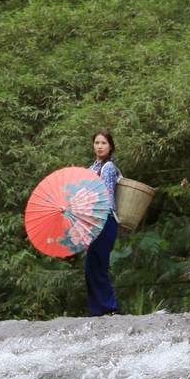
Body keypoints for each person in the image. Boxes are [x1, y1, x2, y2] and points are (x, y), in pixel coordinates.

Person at [85, 130, 120, 317]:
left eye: (103, 143)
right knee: (90, 266)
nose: (99, 146)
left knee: (98, 264)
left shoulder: (108, 168)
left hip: (104, 219)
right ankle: (98, 310)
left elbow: (105, 196)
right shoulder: (91, 168)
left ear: (110, 147)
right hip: (92, 221)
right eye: (97, 142)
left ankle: (109, 307)